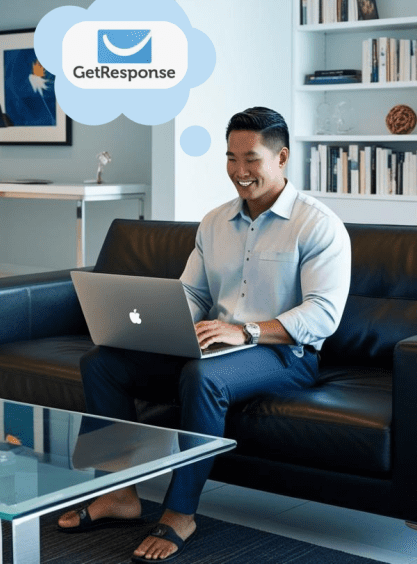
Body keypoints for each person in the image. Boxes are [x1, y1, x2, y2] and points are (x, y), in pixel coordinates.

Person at [57, 106, 352, 562]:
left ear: (281, 157)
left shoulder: (317, 224)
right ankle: (118, 492)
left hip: (285, 354)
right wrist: (167, 323)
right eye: (231, 158)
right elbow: (193, 292)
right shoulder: (215, 222)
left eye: (251, 159)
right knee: (103, 363)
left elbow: (324, 314)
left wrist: (245, 331)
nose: (239, 171)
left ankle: (180, 512)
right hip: (213, 345)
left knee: (202, 378)